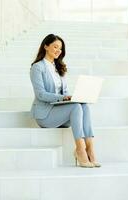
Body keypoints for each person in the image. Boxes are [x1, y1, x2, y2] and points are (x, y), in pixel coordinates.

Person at [30, 34, 100, 168]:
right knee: (75, 108)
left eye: (60, 49)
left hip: (59, 112)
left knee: (83, 105)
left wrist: (73, 97)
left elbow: (65, 92)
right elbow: (40, 94)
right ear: (46, 46)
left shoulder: (58, 68)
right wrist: (63, 98)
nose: (58, 50)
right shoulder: (37, 67)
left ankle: (90, 149)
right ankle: (80, 149)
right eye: (55, 47)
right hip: (45, 115)